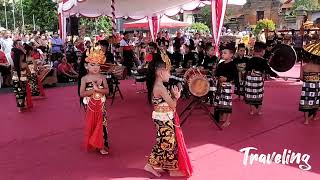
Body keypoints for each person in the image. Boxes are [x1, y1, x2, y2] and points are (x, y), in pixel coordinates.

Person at [144, 49, 192, 177]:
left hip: (164, 117)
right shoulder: (160, 87)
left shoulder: (159, 85)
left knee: (168, 141)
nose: (170, 74)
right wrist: (176, 96)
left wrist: (172, 95)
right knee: (166, 142)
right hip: (163, 119)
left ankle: (169, 167)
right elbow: (173, 105)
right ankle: (150, 164)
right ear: (160, 73)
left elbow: (167, 103)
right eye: (169, 71)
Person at [79, 46, 110, 155]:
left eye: (98, 64)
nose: (96, 67)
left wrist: (100, 90)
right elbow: (82, 93)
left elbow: (107, 91)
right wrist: (94, 90)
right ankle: (93, 143)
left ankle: (101, 145)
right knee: (92, 124)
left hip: (101, 105)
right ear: (86, 65)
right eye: (93, 65)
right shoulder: (84, 79)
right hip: (90, 106)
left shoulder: (102, 77)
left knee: (102, 124)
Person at [245, 42, 279, 115]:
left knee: (251, 94)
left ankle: (252, 110)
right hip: (258, 80)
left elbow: (246, 70)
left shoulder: (249, 60)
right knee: (259, 95)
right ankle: (259, 111)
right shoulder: (263, 61)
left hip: (250, 80)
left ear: (254, 51)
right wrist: (276, 75)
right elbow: (268, 70)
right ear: (262, 52)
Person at [213, 42, 239, 127]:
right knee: (220, 102)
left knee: (227, 103)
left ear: (231, 54)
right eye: (222, 53)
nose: (223, 54)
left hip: (227, 87)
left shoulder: (233, 65)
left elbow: (235, 76)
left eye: (225, 53)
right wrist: (217, 76)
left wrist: (227, 78)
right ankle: (221, 117)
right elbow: (217, 73)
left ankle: (228, 120)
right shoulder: (220, 64)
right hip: (220, 86)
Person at [299, 42, 320, 125]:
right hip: (317, 86)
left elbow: (301, 78)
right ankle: (314, 117)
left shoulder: (304, 66)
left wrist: (308, 80)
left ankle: (306, 120)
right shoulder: (319, 67)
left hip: (307, 86)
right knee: (316, 101)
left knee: (306, 102)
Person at [11, 40, 33, 112]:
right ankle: (21, 105)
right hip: (22, 78)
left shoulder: (14, 64)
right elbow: (29, 72)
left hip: (15, 78)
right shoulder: (24, 63)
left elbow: (12, 71)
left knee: (18, 93)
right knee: (22, 92)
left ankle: (20, 106)